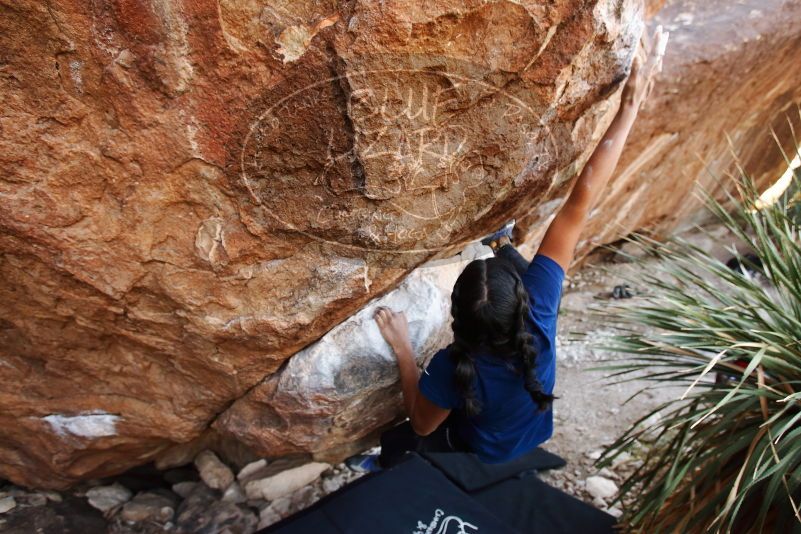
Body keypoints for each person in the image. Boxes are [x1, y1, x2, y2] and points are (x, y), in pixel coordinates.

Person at [349, 27, 669, 472]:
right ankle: (502, 242)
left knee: (407, 441)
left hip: (477, 452)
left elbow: (422, 424)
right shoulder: (540, 308)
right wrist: (630, 107)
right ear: (522, 297)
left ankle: (391, 469)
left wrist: (404, 350)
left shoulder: (451, 367)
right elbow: (581, 203)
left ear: (455, 323)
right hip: (532, 430)